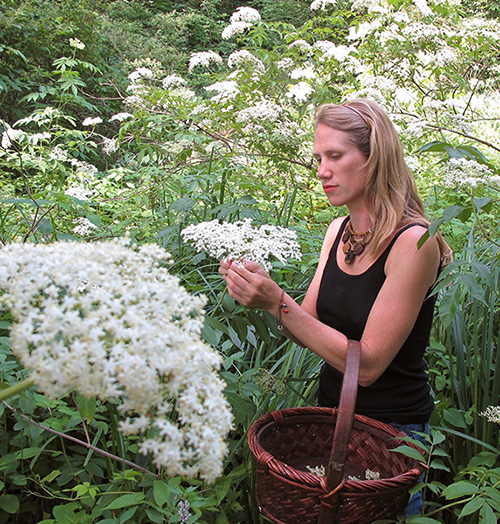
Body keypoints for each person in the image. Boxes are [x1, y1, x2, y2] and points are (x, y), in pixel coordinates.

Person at [219, 99, 451, 515]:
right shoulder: (338, 230)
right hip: (332, 421)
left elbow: (370, 365)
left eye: (335, 156)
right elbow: (301, 325)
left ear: (374, 157)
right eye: (318, 158)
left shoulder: (415, 242)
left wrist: (279, 302)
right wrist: (265, 295)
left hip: (392, 436)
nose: (322, 171)